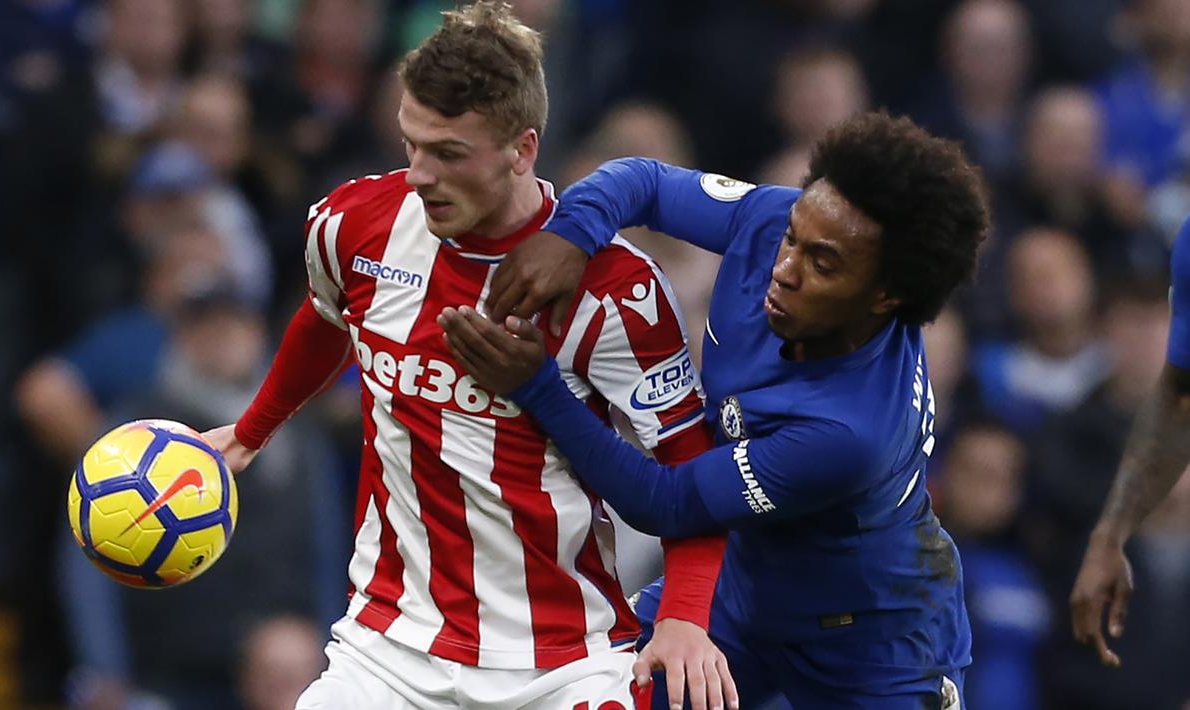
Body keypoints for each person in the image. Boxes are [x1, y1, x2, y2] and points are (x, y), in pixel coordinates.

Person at [202, 4, 735, 709]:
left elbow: (691, 467)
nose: (419, 174)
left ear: (522, 149)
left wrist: (683, 619)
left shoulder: (616, 290)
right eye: (410, 143)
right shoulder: (353, 225)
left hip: (563, 661)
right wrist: (251, 431)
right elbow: (325, 317)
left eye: (448, 153)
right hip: (386, 648)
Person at [439, 111, 991, 708]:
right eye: (792, 239)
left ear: (887, 296)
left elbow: (668, 501)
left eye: (822, 264)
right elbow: (643, 181)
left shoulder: (849, 432)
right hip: (742, 595)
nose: (783, 268)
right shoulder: (779, 221)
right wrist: (573, 233)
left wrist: (540, 388)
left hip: (872, 646)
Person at [1070, 215, 1190, 669]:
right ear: (1104, 329)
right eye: (1130, 321)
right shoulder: (1068, 433)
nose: (1143, 337)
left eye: (1156, 320)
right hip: (1104, 659)